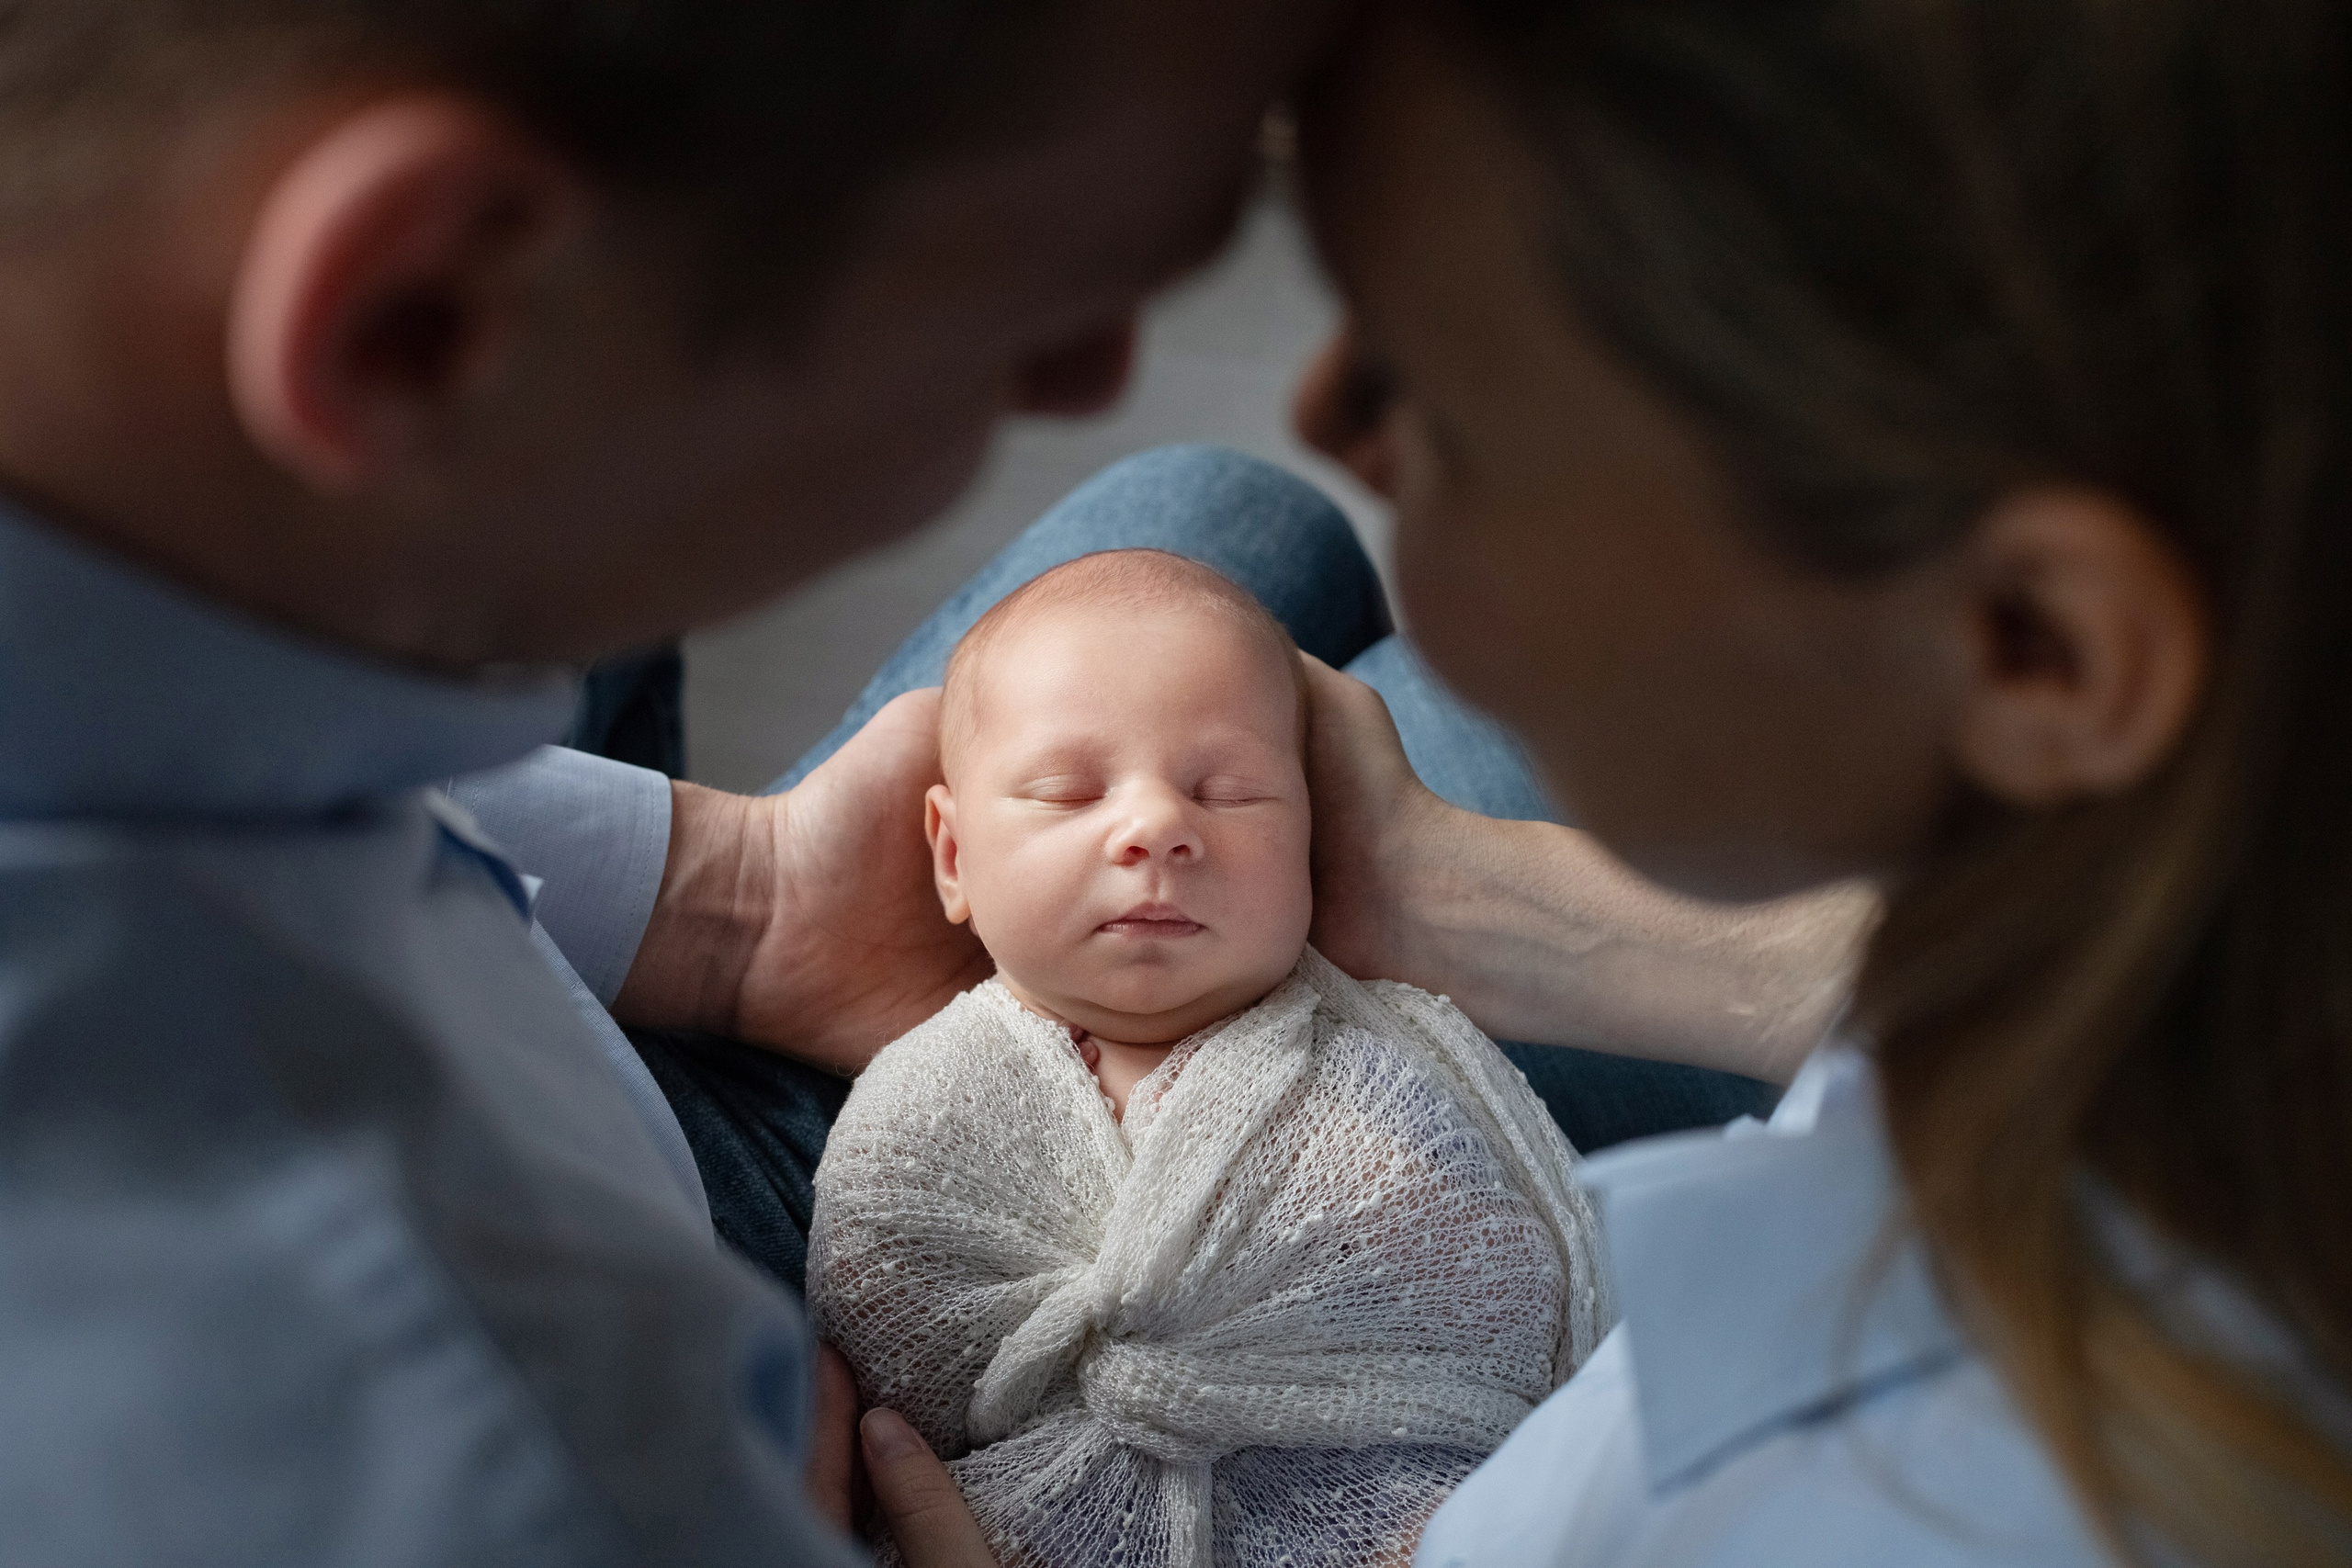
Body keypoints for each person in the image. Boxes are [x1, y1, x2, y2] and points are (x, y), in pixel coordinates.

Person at [0, 2, 1365, 1560]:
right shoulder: (525, 1451)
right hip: (761, 1359)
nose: (1084, 373)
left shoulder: (143, 507)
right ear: (426, 318)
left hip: (593, 1055)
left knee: (1218, 515)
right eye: (1024, 294)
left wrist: (724, 896)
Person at [1276, 1, 2351, 1564]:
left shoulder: (1886, 1515)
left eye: (1450, 403)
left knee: (1204, 519)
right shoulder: (2174, 939)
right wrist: (1453, 895)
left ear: (2034, 645)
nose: (1328, 419)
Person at [808, 550, 1605, 1568]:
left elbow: (1499, 1311)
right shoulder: (917, 1114)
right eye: (1067, 792)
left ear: (1314, 843)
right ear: (953, 857)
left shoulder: (1382, 1075)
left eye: (1230, 792)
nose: (1156, 828)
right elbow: (886, 1338)